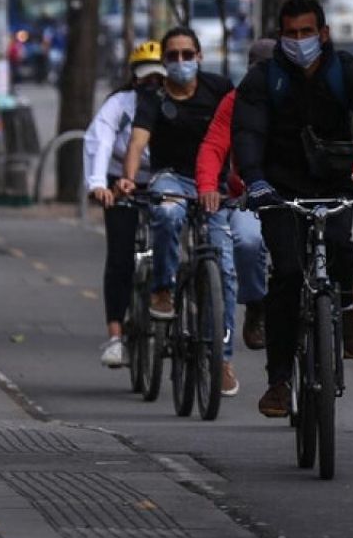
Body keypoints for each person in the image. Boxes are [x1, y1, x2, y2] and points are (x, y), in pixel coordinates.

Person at [234, 0, 353, 418]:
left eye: (308, 32)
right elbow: (247, 134)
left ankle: (345, 305)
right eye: (291, 33)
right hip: (279, 190)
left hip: (334, 183)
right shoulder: (263, 80)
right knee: (285, 275)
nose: (300, 41)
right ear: (279, 35)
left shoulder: (348, 72)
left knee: (341, 251)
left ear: (324, 34)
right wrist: (256, 182)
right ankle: (279, 381)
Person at [117, 28, 240, 396]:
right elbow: (138, 143)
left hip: (213, 189)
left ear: (200, 57)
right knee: (168, 215)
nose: (181, 62)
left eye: (188, 55)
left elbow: (240, 131)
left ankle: (222, 356)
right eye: (173, 56)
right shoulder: (152, 98)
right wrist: (127, 178)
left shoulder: (219, 89)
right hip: (171, 181)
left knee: (226, 268)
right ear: (164, 61)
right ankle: (163, 290)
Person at [193, 39, 276, 351]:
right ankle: (256, 303)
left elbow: (337, 135)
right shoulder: (235, 101)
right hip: (250, 197)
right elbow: (213, 147)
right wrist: (207, 187)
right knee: (247, 241)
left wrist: (350, 171)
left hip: (296, 195)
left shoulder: (303, 96)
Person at [83, 41, 162, 368]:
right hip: (122, 185)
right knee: (119, 258)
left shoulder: (182, 102)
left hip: (165, 184)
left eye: (160, 77)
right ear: (134, 77)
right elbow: (98, 140)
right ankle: (115, 335)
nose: (153, 85)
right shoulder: (119, 104)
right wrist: (99, 185)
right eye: (147, 78)